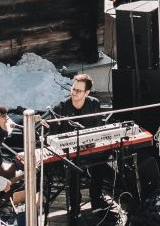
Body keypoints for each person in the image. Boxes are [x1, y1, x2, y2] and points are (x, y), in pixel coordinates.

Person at [48, 74, 106, 220]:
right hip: (70, 152)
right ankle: (75, 207)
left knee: (101, 162)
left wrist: (90, 142)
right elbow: (53, 134)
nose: (74, 92)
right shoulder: (61, 107)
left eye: (78, 91)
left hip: (89, 148)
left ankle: (96, 200)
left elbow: (99, 127)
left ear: (87, 93)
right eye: (73, 89)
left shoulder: (94, 104)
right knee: (72, 170)